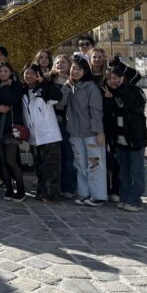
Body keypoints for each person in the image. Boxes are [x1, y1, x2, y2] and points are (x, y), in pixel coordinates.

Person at [61, 56, 107, 206]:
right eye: (73, 68)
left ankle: (98, 195)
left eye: (79, 69)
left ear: (85, 71)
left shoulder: (91, 88)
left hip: (91, 133)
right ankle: (84, 193)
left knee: (95, 164)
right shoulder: (71, 87)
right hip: (75, 132)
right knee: (80, 164)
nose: (75, 71)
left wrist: (99, 132)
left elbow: (96, 111)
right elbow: (60, 104)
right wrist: (66, 87)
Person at [102, 68, 147, 212]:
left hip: (135, 139)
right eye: (109, 78)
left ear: (122, 78)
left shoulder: (133, 90)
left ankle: (135, 200)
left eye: (116, 77)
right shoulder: (110, 94)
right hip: (120, 140)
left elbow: (133, 105)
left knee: (137, 171)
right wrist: (109, 99)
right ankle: (125, 197)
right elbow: (108, 117)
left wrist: (122, 86)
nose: (113, 81)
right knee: (123, 172)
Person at [22, 64, 63, 203]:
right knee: (39, 167)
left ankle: (52, 194)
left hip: (49, 135)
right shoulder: (23, 92)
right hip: (34, 137)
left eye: (32, 73)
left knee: (51, 167)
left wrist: (44, 82)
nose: (29, 76)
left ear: (38, 74)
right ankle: (41, 192)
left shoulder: (44, 89)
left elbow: (58, 96)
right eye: (26, 73)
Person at [0, 62, 25, 202]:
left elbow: (13, 101)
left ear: (10, 72)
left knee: (11, 160)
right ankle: (9, 189)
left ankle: (21, 189)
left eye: (5, 71)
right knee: (2, 161)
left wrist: (6, 87)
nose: (2, 73)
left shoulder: (16, 85)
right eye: (0, 71)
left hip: (11, 128)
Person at [50, 55, 76, 199]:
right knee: (53, 156)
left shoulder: (74, 81)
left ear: (69, 65)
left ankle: (68, 187)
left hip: (68, 123)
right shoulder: (50, 81)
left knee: (68, 155)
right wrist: (66, 87)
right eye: (58, 62)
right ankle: (55, 186)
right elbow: (58, 103)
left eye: (63, 62)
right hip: (52, 122)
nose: (60, 65)